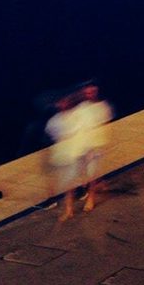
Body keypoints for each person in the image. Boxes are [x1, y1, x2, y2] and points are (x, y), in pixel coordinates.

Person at [46, 84, 113, 219]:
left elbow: (94, 128)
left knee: (90, 174)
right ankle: (69, 209)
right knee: (70, 181)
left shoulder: (87, 110)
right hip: (73, 153)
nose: (62, 104)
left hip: (90, 148)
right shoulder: (56, 120)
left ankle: (91, 197)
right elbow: (56, 136)